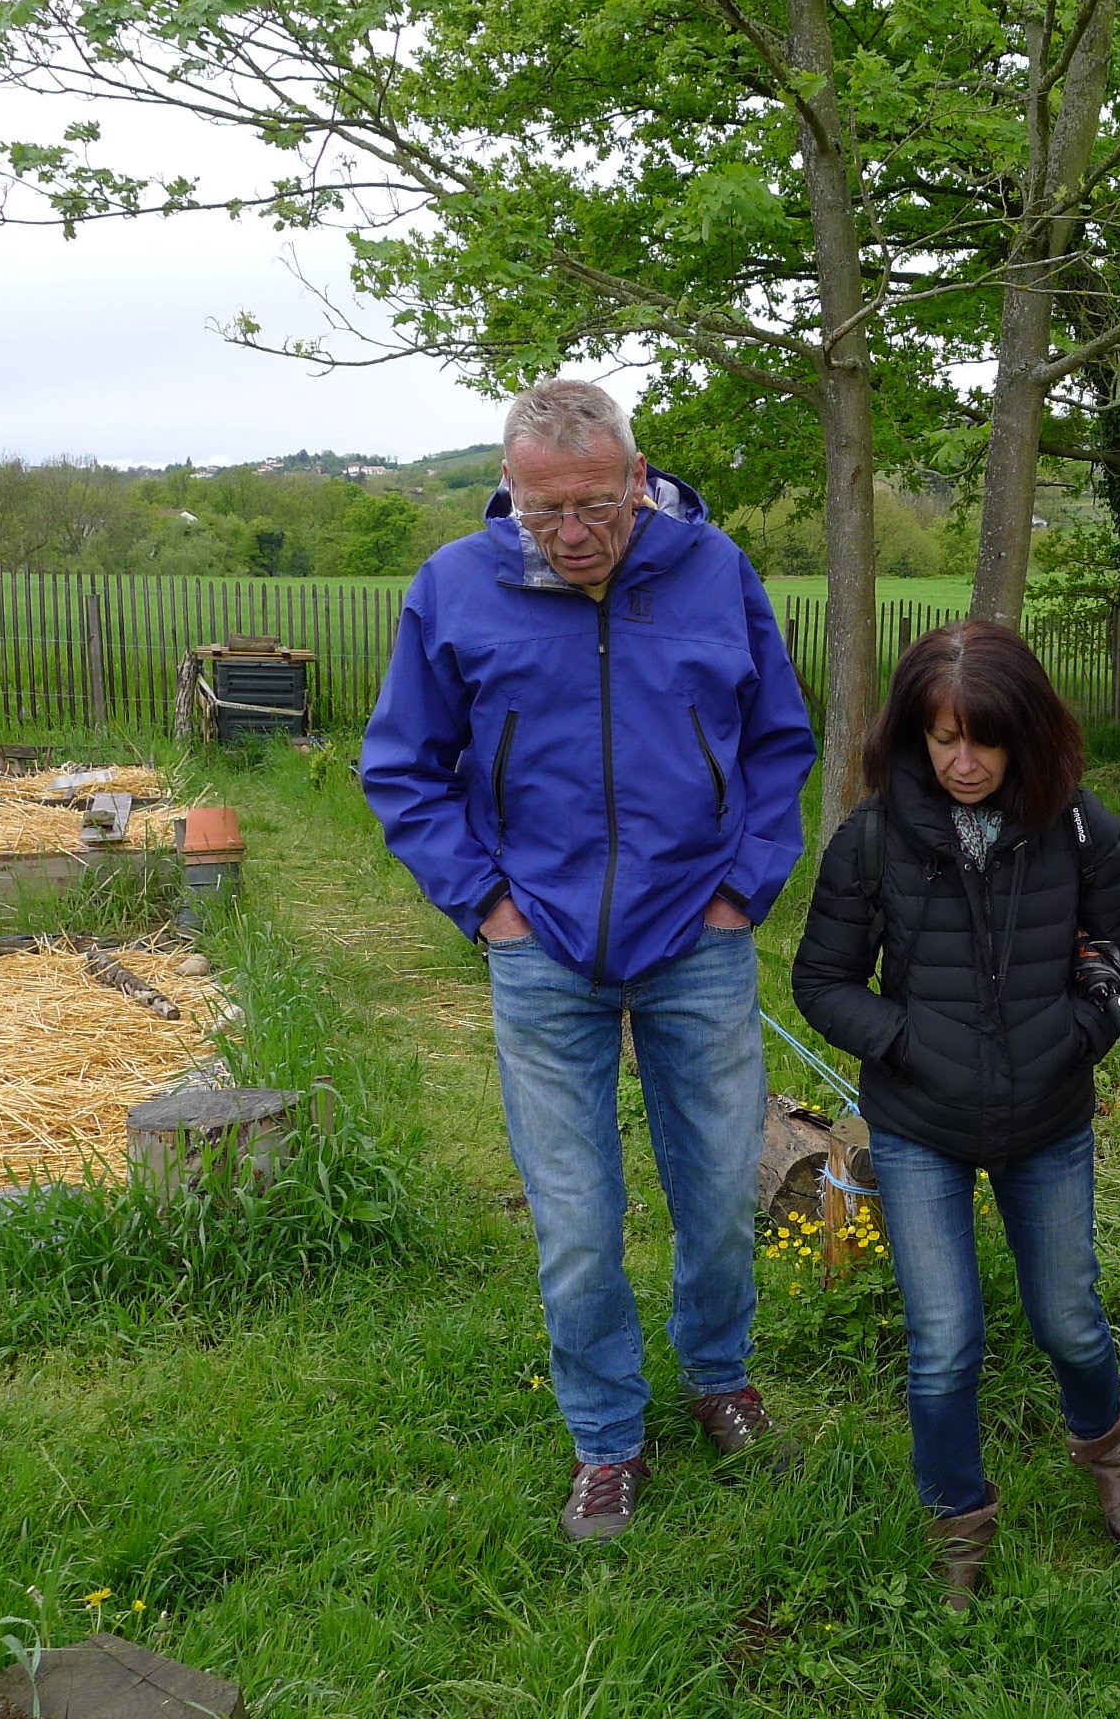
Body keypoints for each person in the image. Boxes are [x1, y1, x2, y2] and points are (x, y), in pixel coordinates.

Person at [361, 379, 817, 1542]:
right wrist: (487, 907)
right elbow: (402, 765)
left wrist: (740, 892)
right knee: (574, 1221)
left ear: (638, 479)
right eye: (542, 510)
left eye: (596, 506)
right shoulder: (453, 587)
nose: (571, 533)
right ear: (507, 491)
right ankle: (607, 1435)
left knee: (721, 1196)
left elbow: (777, 743)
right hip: (542, 948)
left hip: (697, 937)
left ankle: (718, 1374)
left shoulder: (714, 572)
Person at [791, 619, 1120, 1609]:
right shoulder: (873, 837)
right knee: (945, 1338)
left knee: (1069, 1317)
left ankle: (1108, 1452)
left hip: (1048, 1117)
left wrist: (1077, 1031)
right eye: (943, 738)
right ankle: (957, 1518)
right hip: (920, 1124)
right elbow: (821, 981)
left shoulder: (1077, 827)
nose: (963, 762)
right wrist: (907, 1039)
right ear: (913, 733)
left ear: (1024, 733)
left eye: (984, 740)